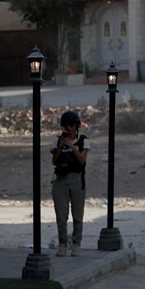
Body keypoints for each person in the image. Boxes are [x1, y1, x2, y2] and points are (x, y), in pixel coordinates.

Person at [51, 110, 90, 257]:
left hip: (76, 179)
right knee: (61, 215)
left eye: (71, 125)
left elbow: (82, 160)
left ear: (76, 126)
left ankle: (76, 243)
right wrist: (60, 147)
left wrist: (72, 147)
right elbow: (54, 161)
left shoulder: (83, 141)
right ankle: (62, 244)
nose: (68, 128)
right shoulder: (58, 141)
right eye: (65, 125)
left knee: (77, 215)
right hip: (61, 179)